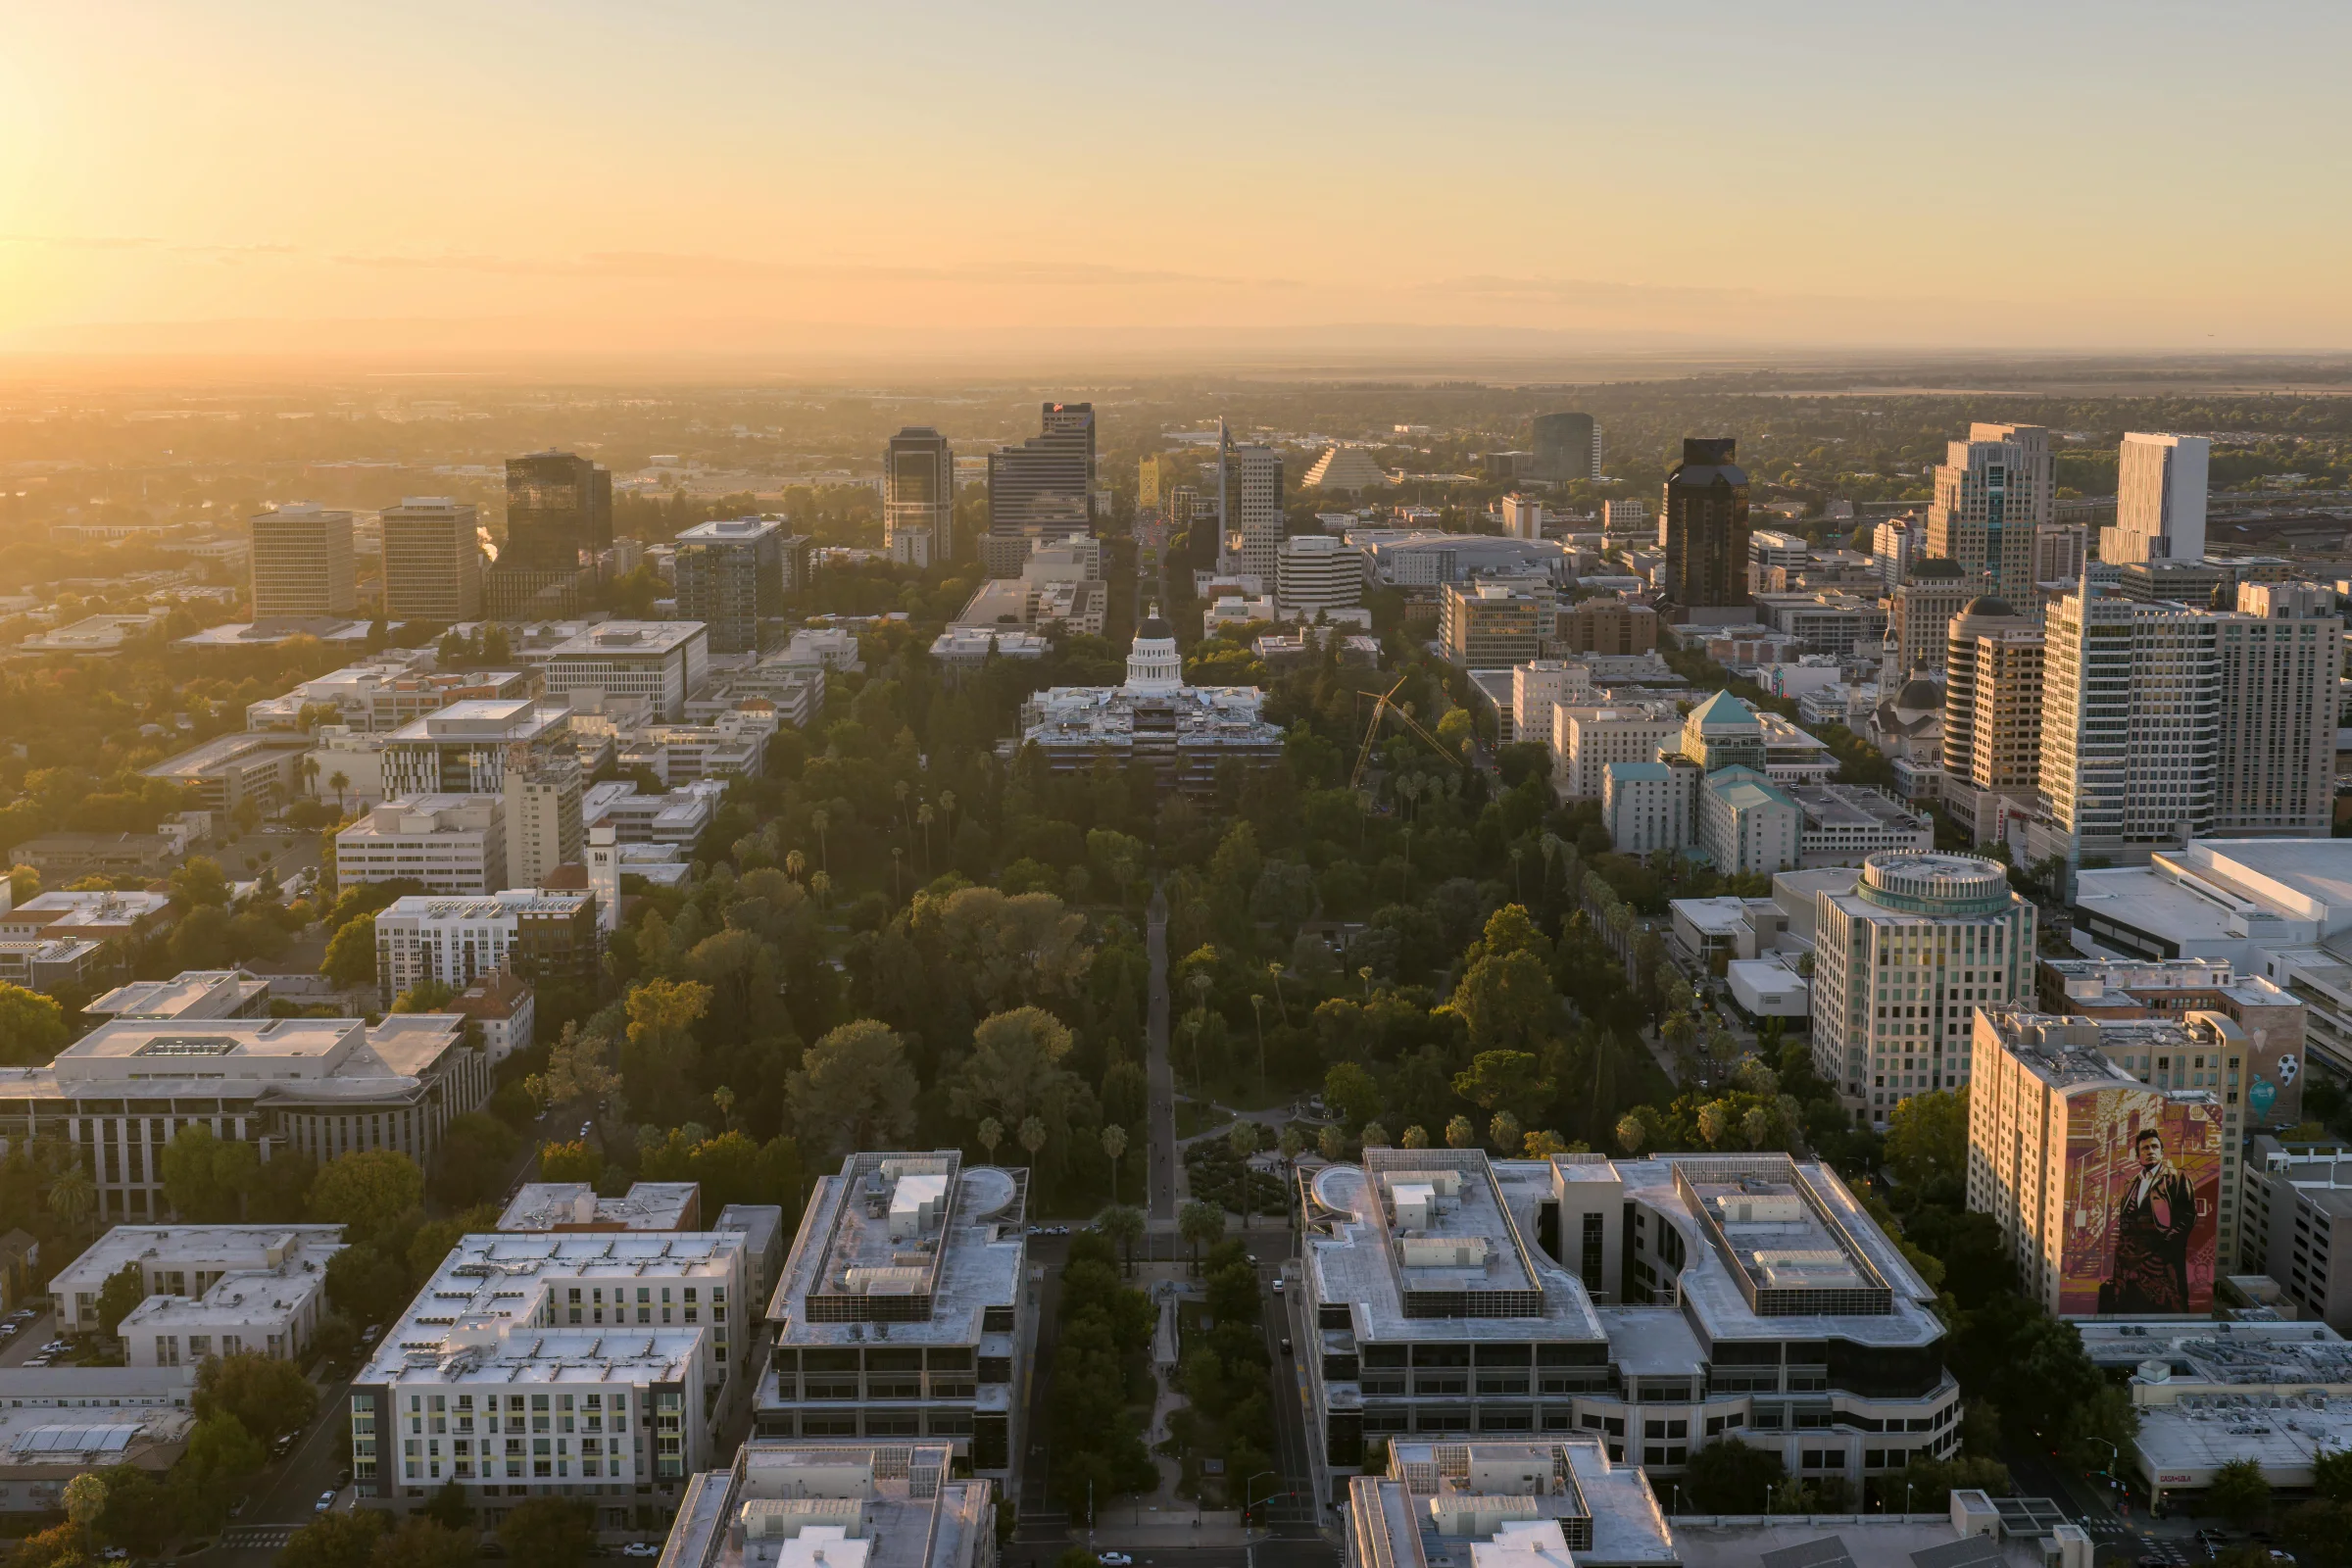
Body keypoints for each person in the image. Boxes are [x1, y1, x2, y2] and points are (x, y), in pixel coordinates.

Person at [2105, 1127, 2197, 1312]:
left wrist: (2166, 1248)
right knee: (2130, 1307)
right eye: (2145, 1148)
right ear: (2138, 1156)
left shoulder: (2177, 1178)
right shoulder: (2131, 1184)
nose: (2150, 1151)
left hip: (2161, 1259)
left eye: (2155, 1147)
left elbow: (2188, 1217)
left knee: (2165, 1307)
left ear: (2162, 1152)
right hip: (2131, 1262)